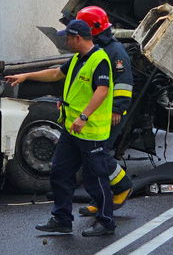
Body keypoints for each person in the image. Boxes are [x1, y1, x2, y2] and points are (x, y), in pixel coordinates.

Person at [6, 19, 117, 237]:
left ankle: (106, 222)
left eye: (67, 37)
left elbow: (102, 91)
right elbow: (57, 73)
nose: (65, 41)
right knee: (59, 172)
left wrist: (84, 116)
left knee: (95, 178)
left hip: (90, 131)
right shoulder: (78, 59)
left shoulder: (99, 59)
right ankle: (62, 219)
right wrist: (26, 76)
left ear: (77, 38)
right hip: (71, 130)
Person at [73, 6, 135, 215]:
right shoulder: (93, 50)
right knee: (92, 156)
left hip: (110, 114)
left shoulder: (115, 52)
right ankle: (100, 199)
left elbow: (124, 83)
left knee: (98, 155)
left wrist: (117, 109)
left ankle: (122, 185)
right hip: (96, 114)